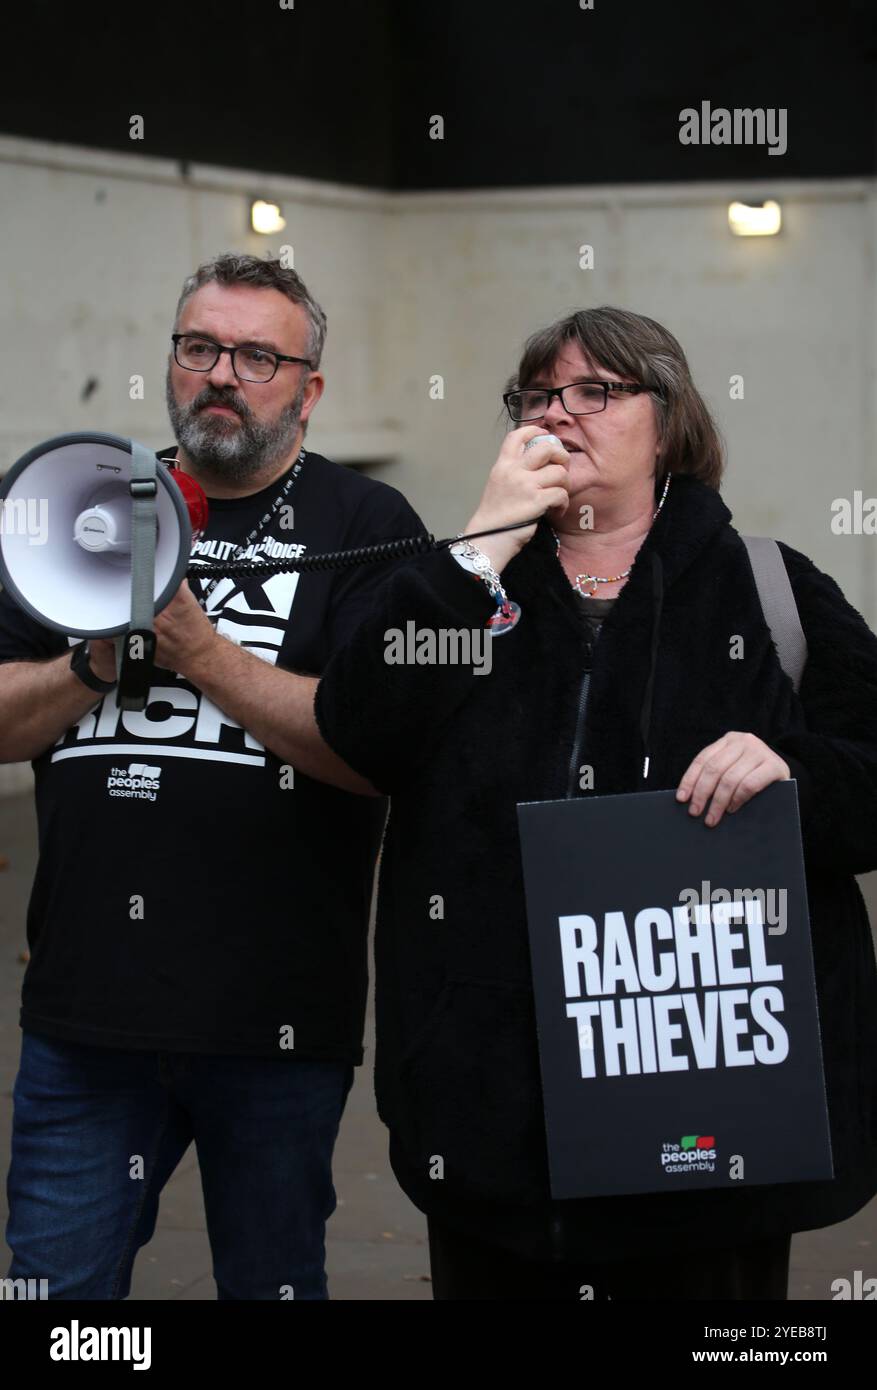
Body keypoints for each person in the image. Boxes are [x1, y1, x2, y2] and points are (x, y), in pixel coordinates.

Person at [313, 305, 877, 1300]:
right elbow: (354, 730)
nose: (558, 414)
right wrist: (476, 551)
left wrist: (794, 768)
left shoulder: (768, 591)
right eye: (537, 396)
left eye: (596, 391)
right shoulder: (463, 588)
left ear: (668, 421)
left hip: (706, 1116)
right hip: (493, 1115)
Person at [0, 253, 422, 1300]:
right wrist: (97, 661)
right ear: (172, 362)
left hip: (274, 1018)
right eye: (199, 347)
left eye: (255, 355)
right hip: (86, 1012)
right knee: (55, 1292)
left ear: (308, 388)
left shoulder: (369, 532)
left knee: (271, 1282)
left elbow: (377, 754)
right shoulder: (84, 507)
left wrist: (205, 656)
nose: (220, 374)